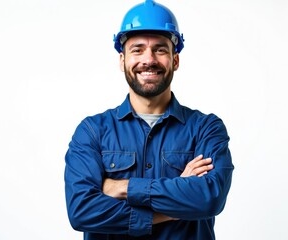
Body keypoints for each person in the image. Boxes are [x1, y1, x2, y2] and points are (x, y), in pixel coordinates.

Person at [64, 0, 234, 239]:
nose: (149, 59)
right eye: (137, 49)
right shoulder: (93, 131)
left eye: (160, 49)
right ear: (122, 60)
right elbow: (82, 212)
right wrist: (173, 208)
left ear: (175, 59)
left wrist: (121, 187)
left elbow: (210, 198)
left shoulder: (206, 129)